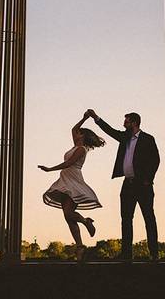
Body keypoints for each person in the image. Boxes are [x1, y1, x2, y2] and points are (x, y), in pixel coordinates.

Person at [87, 109, 160, 261]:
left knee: (149, 218)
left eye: (126, 121)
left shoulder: (148, 139)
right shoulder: (125, 137)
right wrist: (96, 118)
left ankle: (154, 253)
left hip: (143, 185)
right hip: (128, 184)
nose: (123, 123)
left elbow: (155, 160)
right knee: (126, 219)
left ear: (134, 123)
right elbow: (110, 131)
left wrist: (148, 179)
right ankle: (127, 254)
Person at [38, 111, 106, 261]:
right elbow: (73, 129)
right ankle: (80, 246)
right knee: (67, 216)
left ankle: (86, 222)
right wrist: (84, 118)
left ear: (82, 136)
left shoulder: (82, 149)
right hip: (65, 180)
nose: (75, 135)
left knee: (69, 214)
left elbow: (69, 164)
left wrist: (50, 169)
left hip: (74, 181)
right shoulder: (74, 146)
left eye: (79, 134)